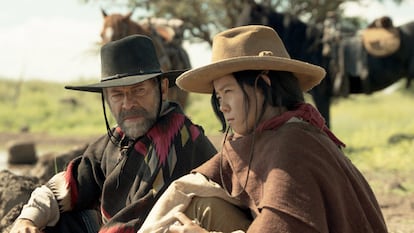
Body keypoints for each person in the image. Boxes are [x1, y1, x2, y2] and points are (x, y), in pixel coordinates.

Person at [138, 25, 388, 233]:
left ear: (263, 84)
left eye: (228, 92)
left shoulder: (293, 144)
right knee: (196, 202)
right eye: (218, 96)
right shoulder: (269, 134)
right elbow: (209, 175)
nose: (222, 106)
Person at [9, 35, 217, 233]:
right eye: (117, 94)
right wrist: (27, 219)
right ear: (107, 99)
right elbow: (70, 183)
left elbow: (141, 223)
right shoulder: (116, 140)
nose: (128, 104)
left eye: (139, 90)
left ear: (162, 89)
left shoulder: (177, 140)